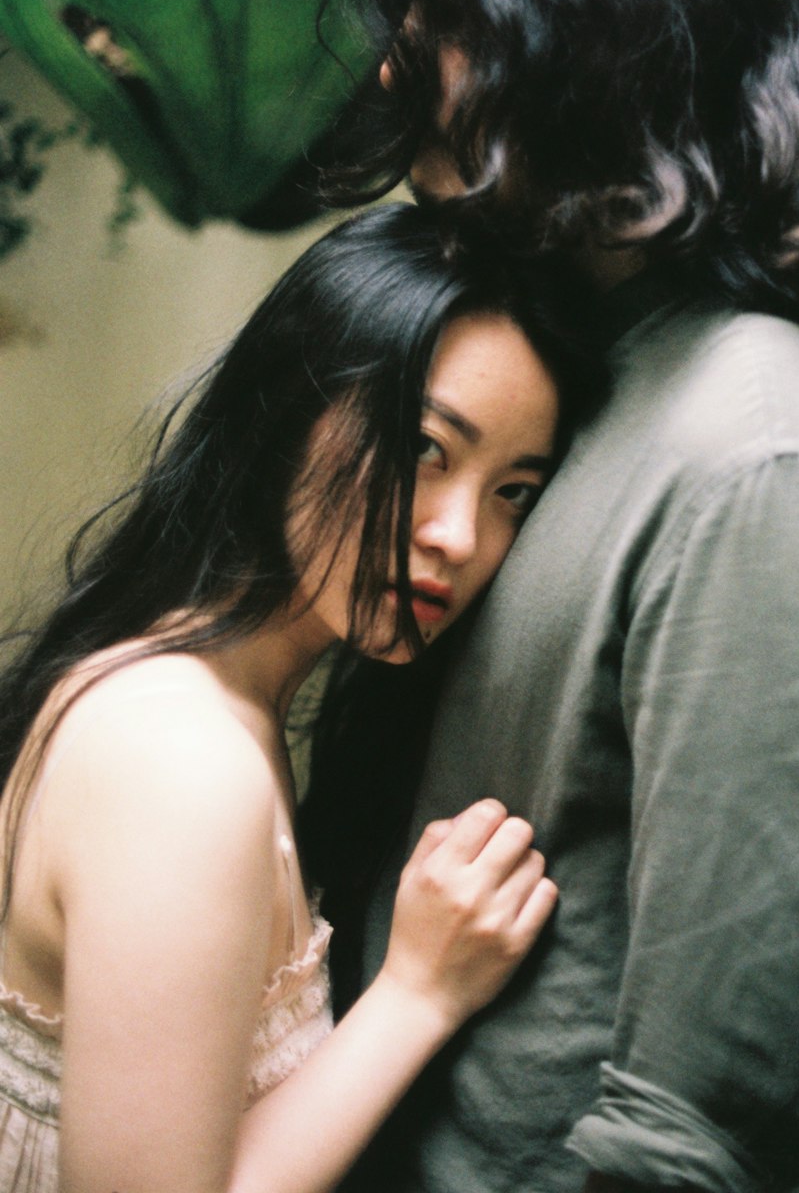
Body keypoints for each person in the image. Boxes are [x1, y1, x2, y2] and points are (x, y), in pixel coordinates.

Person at [304, 0, 799, 1193]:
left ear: (604, 27)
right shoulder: (579, 366)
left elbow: (699, 1133)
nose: (392, 66)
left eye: (446, 18)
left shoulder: (767, 457)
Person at [0, 202, 599, 1193]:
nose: (460, 535)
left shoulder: (214, 707)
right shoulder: (179, 761)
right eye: (424, 450)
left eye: (513, 493)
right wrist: (417, 993)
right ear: (288, 411)